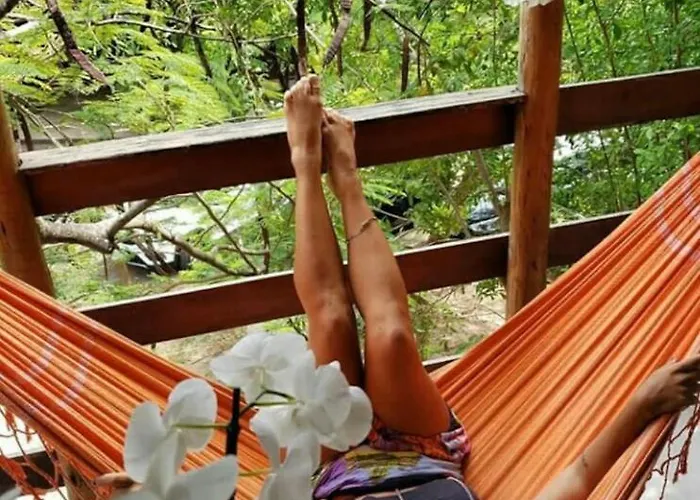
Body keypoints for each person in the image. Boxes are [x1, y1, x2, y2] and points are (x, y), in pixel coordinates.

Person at [101, 75, 700, 500]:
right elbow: (578, 476)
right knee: (388, 338)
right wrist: (642, 404)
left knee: (332, 320)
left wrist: (156, 490)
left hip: (327, 468)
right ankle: (347, 177)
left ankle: (304, 161)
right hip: (425, 449)